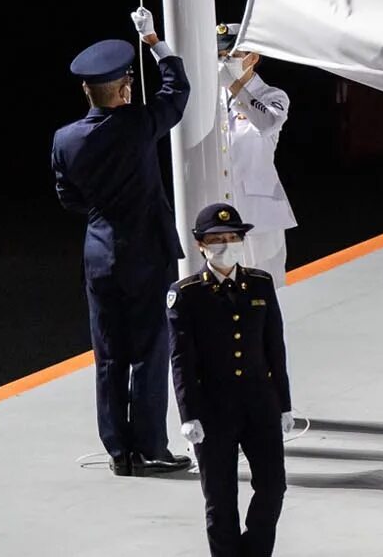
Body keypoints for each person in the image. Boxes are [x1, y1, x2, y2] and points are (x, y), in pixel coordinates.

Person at [50, 7, 192, 476]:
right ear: (126, 87)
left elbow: (68, 197)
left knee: (109, 355)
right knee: (151, 352)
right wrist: (154, 42)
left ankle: (119, 452)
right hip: (147, 255)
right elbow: (177, 92)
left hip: (100, 253)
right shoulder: (135, 125)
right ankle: (151, 445)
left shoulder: (65, 139)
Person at [169, 202, 293, 557]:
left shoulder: (259, 283)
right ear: (201, 245)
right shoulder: (187, 294)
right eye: (217, 239)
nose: (226, 244)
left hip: (259, 405)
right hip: (213, 409)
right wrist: (188, 414)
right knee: (221, 499)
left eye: (232, 237)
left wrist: (283, 403)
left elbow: (274, 348)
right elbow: (182, 359)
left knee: (273, 487)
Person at [215, 23, 298, 278]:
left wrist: (235, 87)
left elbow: (268, 122)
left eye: (231, 56)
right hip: (222, 213)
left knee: (267, 286)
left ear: (253, 58)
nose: (223, 62)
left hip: (259, 214)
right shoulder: (214, 96)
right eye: (219, 56)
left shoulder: (273, 96)